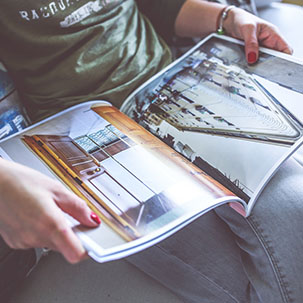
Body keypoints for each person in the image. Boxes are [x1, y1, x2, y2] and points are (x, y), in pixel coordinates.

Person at [0, 0, 300, 302]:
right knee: (230, 278)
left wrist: (226, 16)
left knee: (293, 211)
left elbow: (158, 6)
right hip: (83, 130)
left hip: (172, 86)